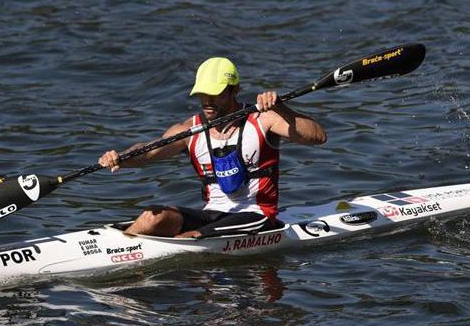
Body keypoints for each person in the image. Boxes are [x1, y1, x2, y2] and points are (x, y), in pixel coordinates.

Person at [99, 57, 326, 238]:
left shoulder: (263, 119)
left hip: (257, 214)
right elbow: (149, 151)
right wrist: (120, 157)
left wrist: (282, 109)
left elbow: (317, 136)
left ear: (234, 90)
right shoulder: (190, 129)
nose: (207, 101)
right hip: (212, 214)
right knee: (151, 217)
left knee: (190, 237)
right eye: (203, 93)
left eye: (215, 94)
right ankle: (122, 250)